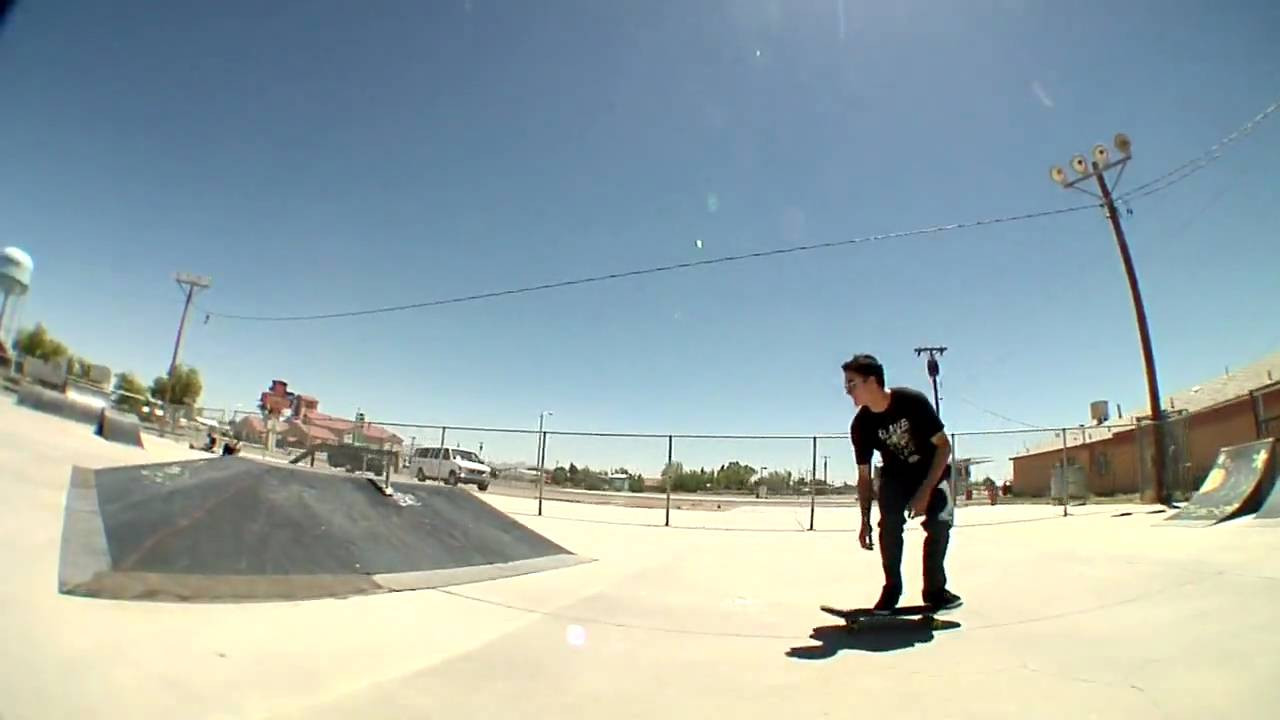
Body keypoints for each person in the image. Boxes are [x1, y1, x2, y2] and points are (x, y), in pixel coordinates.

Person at [843, 353, 962, 613]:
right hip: (896, 477)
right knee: (889, 526)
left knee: (939, 525)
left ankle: (935, 591)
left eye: (852, 384)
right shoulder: (861, 425)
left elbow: (944, 447)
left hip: (932, 470)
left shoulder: (912, 402)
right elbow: (864, 478)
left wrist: (925, 492)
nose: (847, 391)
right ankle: (891, 590)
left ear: (871, 381)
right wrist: (864, 520)